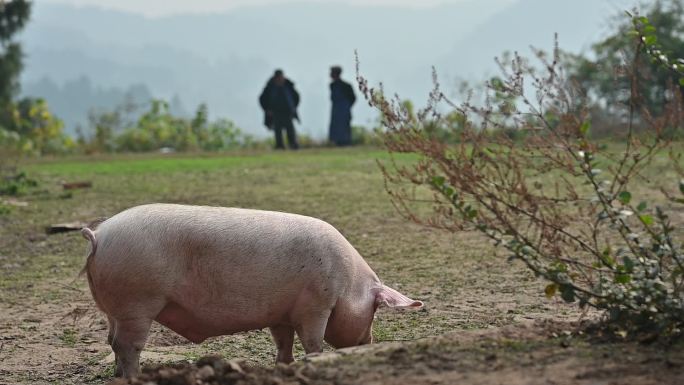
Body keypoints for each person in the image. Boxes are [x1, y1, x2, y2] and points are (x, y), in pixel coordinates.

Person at [259, 69, 300, 150]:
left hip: (287, 111)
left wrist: (294, 107)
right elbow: (262, 99)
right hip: (275, 112)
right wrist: (267, 109)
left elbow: (296, 97)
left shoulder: (288, 86)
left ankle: (293, 144)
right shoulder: (270, 87)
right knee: (277, 130)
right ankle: (280, 146)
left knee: (290, 129)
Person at [328, 66, 356, 146]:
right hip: (336, 111)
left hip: (344, 111)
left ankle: (346, 143)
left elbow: (353, 98)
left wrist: (346, 107)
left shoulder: (346, 86)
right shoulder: (332, 86)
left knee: (344, 129)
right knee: (336, 129)